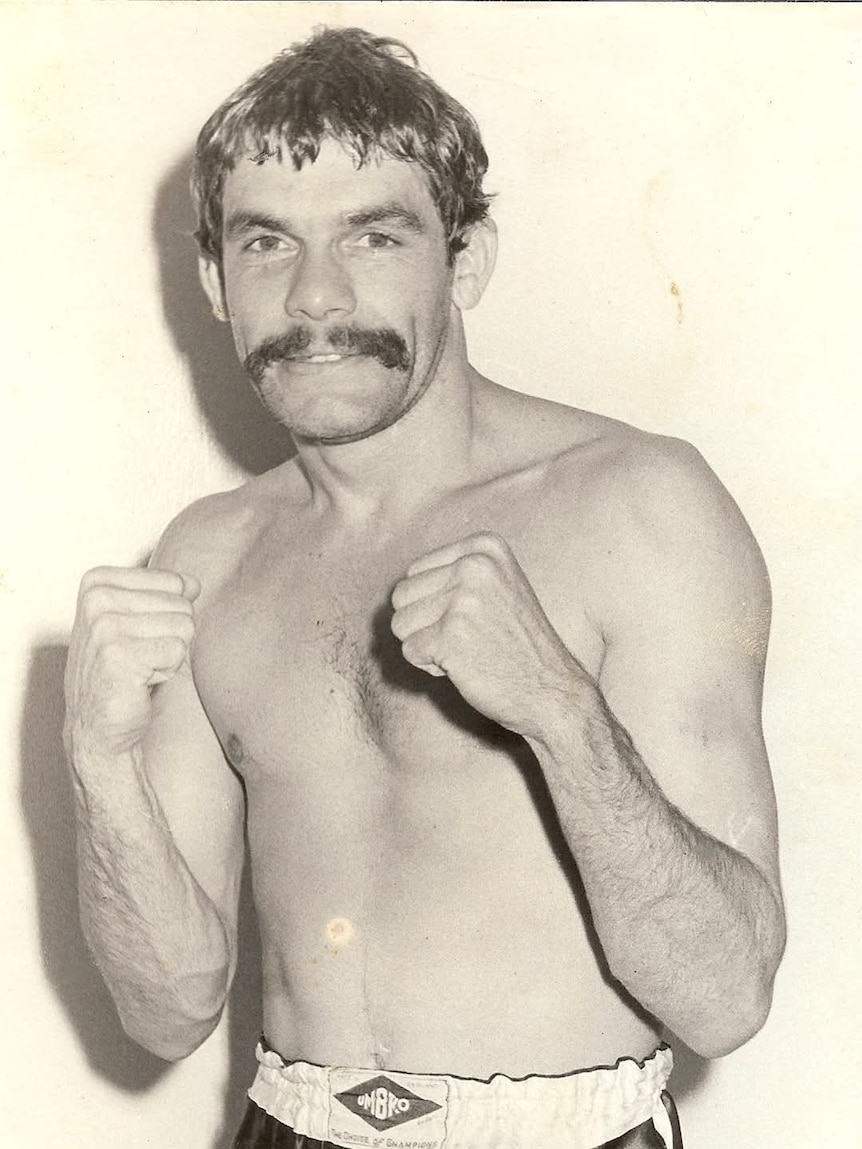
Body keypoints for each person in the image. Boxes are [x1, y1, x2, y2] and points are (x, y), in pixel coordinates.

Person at [63, 26, 786, 1149]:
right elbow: (168, 1012)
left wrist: (560, 709)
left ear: (466, 260)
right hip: (284, 1124)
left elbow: (726, 997)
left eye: (373, 235)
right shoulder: (208, 556)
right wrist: (100, 761)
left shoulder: (639, 507)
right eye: (267, 243)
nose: (315, 296)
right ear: (214, 280)